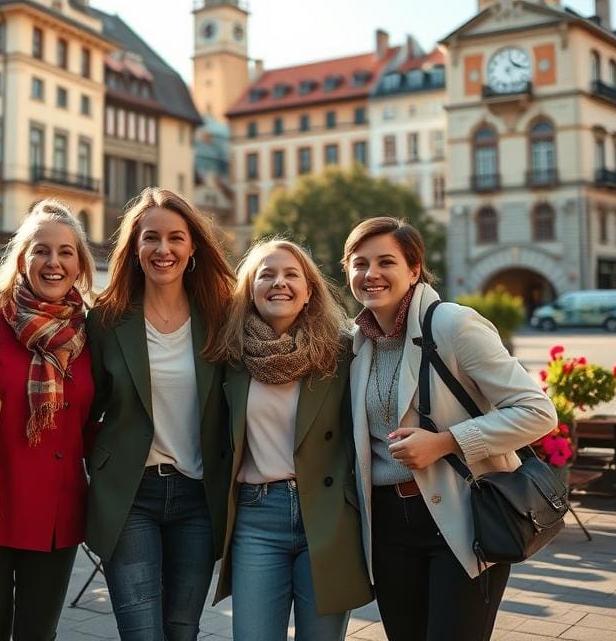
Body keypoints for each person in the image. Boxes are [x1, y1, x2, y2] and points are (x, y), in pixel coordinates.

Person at [343, 216, 556, 641]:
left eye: (386, 261)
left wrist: (446, 442)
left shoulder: (452, 324)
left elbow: (537, 411)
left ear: (414, 269)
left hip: (461, 515)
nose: (372, 274)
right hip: (387, 525)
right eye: (359, 263)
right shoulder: (356, 342)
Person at [86, 187, 234, 641]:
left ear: (192, 248)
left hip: (198, 498)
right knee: (141, 631)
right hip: (130, 496)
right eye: (151, 238)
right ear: (134, 248)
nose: (163, 249)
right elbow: (85, 408)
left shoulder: (221, 317)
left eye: (175, 238)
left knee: (181, 630)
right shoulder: (106, 321)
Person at [212, 239, 372, 640]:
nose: (278, 282)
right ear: (250, 289)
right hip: (256, 517)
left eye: (290, 275)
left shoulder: (342, 352)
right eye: (266, 274)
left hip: (327, 514)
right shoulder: (229, 355)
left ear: (308, 292)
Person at [0, 200, 97, 641]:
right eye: (41, 250)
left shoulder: (93, 332)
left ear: (80, 264)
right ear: (22, 259)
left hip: (58, 510)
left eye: (65, 252)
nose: (53, 262)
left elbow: (102, 421)